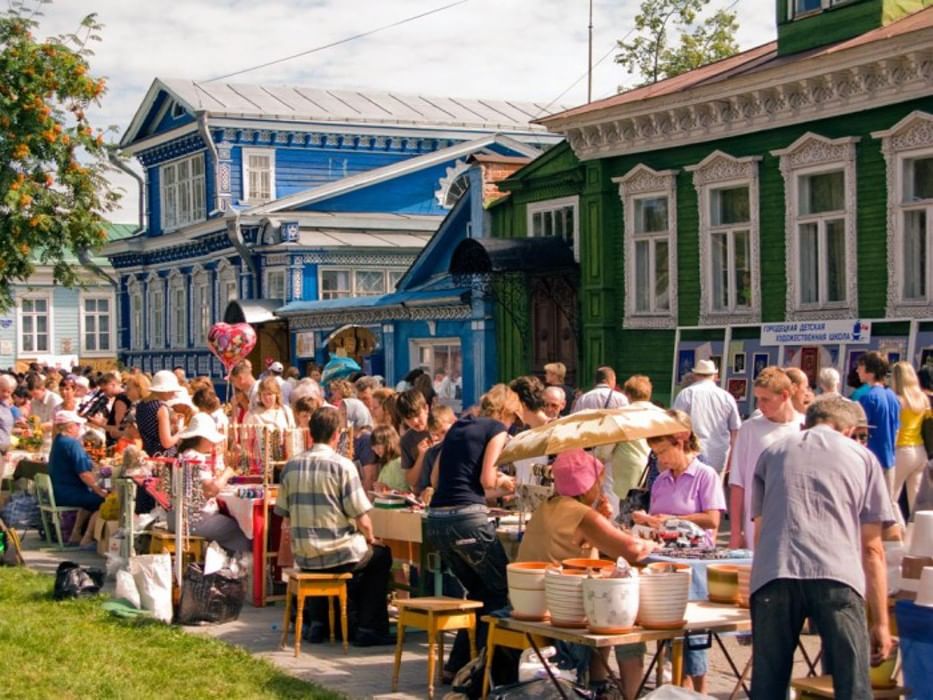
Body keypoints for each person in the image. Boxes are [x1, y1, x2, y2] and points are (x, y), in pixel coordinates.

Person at [749, 395, 895, 699]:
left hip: (774, 574)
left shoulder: (773, 452)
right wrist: (880, 621)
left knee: (768, 683)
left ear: (806, 423)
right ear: (848, 430)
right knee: (852, 683)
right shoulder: (863, 458)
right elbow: (872, 550)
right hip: (836, 575)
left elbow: (761, 532)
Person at [518, 448, 655, 699]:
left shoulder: (550, 506)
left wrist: (602, 519)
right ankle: (631, 695)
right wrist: (654, 543)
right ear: (586, 485)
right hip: (559, 607)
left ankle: (599, 682)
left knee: (602, 596)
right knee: (627, 616)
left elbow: (584, 542)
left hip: (536, 600)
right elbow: (633, 550)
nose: (602, 486)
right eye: (599, 481)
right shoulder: (580, 514)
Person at [275, 406, 393, 647]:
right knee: (380, 556)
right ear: (336, 434)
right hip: (339, 551)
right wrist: (371, 537)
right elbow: (360, 515)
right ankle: (368, 627)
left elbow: (284, 515)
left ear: (311, 433)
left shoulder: (291, 466)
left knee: (329, 562)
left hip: (305, 554)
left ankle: (319, 621)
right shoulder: (343, 466)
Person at [426, 384, 520, 681]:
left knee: (480, 592)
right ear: (507, 413)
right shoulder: (496, 428)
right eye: (513, 419)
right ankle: (487, 669)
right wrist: (504, 484)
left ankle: (456, 667)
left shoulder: (458, 425)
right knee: (503, 590)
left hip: (438, 520)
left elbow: (434, 478)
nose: (512, 426)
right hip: (467, 518)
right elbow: (486, 477)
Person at [632, 410, 726, 694]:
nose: (660, 460)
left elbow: (712, 520)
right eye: (656, 454)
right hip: (664, 560)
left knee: (694, 635)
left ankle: (699, 691)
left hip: (694, 564)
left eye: (663, 452)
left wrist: (674, 519)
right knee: (667, 631)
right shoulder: (661, 480)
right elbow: (658, 518)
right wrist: (648, 521)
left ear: (681, 441)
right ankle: (673, 688)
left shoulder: (704, 475)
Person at [729, 367, 803, 550]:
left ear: (785, 396)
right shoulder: (749, 429)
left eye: (766, 399)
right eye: (757, 398)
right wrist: (736, 532)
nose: (760, 405)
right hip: (756, 524)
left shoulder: (805, 426)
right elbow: (737, 482)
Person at [168, 414, 251, 554]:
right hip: (193, 520)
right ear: (202, 438)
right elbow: (211, 490)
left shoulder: (184, 455)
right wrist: (227, 473)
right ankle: (245, 566)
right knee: (241, 531)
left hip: (176, 517)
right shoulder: (196, 458)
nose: (213, 443)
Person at [48, 410, 107, 548]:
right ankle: (87, 538)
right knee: (102, 501)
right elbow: (84, 474)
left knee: (90, 498)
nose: (79, 428)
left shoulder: (58, 440)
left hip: (59, 491)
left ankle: (76, 533)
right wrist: (99, 490)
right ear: (69, 427)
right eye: (77, 425)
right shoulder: (72, 444)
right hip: (68, 493)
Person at [672, 359, 741, 475]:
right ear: (715, 376)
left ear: (694, 375)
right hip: (718, 457)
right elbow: (736, 431)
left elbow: (675, 426)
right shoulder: (726, 397)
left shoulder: (686, 394)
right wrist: (732, 459)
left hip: (691, 454)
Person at [856, 352, 901, 496]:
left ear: (870, 370)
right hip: (889, 456)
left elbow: (861, 431)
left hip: (873, 458)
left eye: (861, 366)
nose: (857, 370)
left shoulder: (869, 397)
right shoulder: (892, 396)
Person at [891, 361, 930, 513]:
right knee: (916, 501)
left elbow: (895, 429)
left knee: (891, 497)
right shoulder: (923, 399)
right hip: (920, 450)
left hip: (902, 449)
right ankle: (918, 534)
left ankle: (896, 532)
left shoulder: (898, 400)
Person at [371, 425, 406, 493]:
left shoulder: (399, 463)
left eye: (378, 445)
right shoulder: (386, 464)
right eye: (373, 446)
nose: (375, 449)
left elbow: (409, 493)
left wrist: (388, 489)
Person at [0, 374, 16, 454]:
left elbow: (5, 427)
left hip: (4, 449)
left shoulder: (6, 404)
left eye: (9, 392)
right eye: (3, 391)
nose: (6, 394)